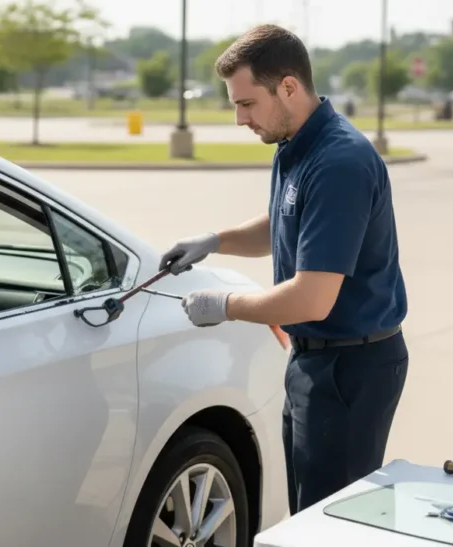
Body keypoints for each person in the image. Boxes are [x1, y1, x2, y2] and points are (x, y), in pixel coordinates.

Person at [158, 24, 409, 515]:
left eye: (246, 103)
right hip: (315, 359)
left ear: (288, 87)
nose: (238, 119)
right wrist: (215, 241)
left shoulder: (339, 161)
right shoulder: (297, 144)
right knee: (307, 514)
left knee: (331, 524)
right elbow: (283, 224)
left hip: (350, 369)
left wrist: (222, 306)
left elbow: (312, 298)